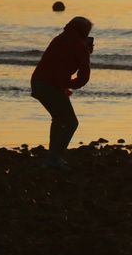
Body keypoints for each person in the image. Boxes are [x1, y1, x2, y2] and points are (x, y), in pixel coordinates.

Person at [30, 16, 93, 167]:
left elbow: (57, 65)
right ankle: (54, 158)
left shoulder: (59, 39)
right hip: (51, 85)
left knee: (59, 119)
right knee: (71, 122)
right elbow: (84, 77)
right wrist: (70, 84)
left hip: (38, 82)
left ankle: (52, 156)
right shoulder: (80, 46)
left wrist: (64, 85)